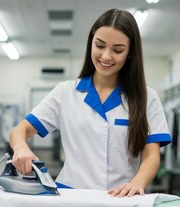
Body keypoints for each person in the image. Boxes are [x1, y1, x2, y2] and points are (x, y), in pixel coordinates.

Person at [9, 9, 171, 197]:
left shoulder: (146, 98)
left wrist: (137, 183)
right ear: (91, 43)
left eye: (117, 50)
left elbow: (151, 155)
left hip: (120, 198)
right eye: (100, 45)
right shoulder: (66, 93)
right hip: (71, 197)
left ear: (130, 53)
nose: (106, 56)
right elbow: (19, 131)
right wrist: (21, 148)